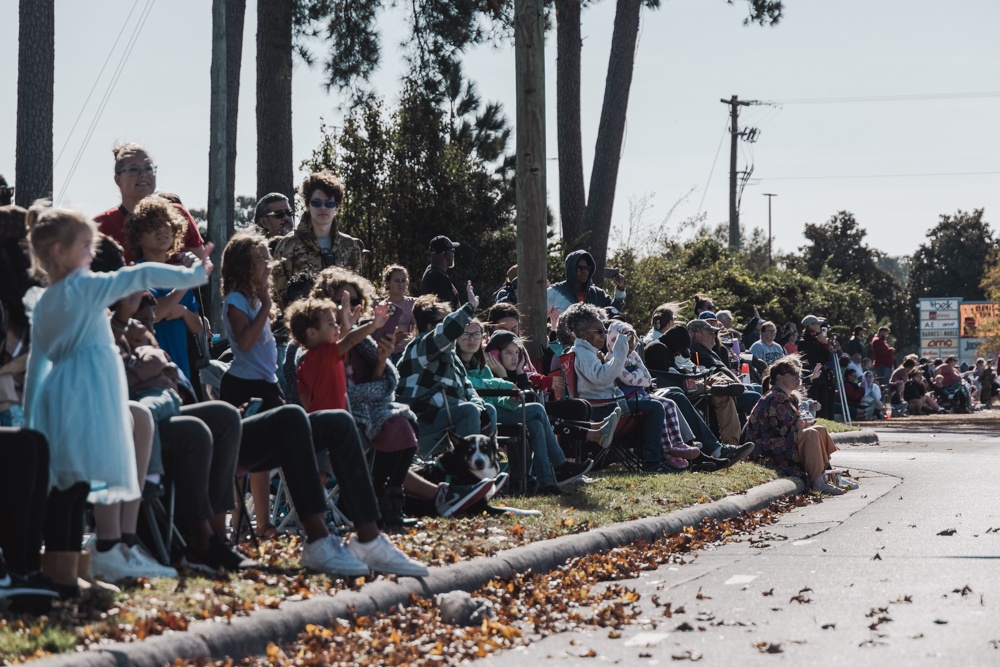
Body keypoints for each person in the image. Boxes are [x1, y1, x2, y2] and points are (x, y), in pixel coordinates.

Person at [23, 203, 211, 596]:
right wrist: (191, 275)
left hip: (60, 400)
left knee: (70, 488)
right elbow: (138, 273)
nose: (93, 255)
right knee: (74, 490)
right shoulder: (84, 288)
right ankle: (64, 574)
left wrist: (31, 424)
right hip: (88, 398)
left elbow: (38, 368)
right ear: (59, 252)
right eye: (85, 246)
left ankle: (67, 570)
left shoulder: (44, 302)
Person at [557, 304, 680, 474]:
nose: (604, 335)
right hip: (602, 407)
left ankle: (664, 454)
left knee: (657, 403)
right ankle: (652, 460)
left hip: (606, 402)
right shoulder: (583, 354)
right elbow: (602, 377)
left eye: (605, 331)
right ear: (583, 334)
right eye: (599, 332)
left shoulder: (586, 351)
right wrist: (620, 349)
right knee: (655, 408)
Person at [472, 328, 596, 495]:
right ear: (495, 355)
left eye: (517, 353)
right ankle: (561, 464)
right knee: (538, 410)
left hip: (510, 411)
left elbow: (528, 401)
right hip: (489, 413)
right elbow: (527, 404)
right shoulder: (490, 371)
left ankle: (547, 484)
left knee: (537, 423)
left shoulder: (512, 370)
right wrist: (504, 378)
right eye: (509, 353)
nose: (515, 357)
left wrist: (519, 373)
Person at [396, 285, 496, 443]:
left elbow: (468, 388)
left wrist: (479, 407)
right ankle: (465, 465)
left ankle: (484, 461)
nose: (457, 328)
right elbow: (446, 332)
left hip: (448, 415)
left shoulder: (451, 356)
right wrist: (470, 307)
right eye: (444, 322)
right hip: (420, 419)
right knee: (468, 411)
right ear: (430, 328)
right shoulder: (419, 347)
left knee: (487, 410)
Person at [125, 196, 205, 382]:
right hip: (151, 377)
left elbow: (198, 326)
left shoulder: (178, 275)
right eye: (152, 225)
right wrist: (187, 281)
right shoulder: (137, 274)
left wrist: (184, 312)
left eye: (166, 224)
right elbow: (156, 314)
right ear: (139, 237)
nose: (162, 229)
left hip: (182, 374)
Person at [746, 356, 853, 495]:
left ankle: (825, 474)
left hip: (780, 443)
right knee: (811, 433)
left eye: (798, 373)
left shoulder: (789, 398)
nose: (798, 377)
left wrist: (801, 424)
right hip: (766, 450)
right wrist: (801, 426)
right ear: (779, 377)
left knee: (819, 429)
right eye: (793, 374)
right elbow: (782, 431)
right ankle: (817, 482)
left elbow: (791, 428)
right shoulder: (775, 398)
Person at [94, 142, 206, 264]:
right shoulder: (100, 225)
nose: (143, 175)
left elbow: (206, 267)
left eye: (148, 168)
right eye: (133, 169)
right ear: (118, 179)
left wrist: (195, 267)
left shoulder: (178, 215)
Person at [271, 171, 363, 314]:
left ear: (337, 207)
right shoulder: (288, 245)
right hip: (302, 327)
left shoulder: (350, 247)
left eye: (329, 203)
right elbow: (277, 295)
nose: (323, 207)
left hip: (343, 326)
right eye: (316, 202)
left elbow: (356, 291)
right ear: (307, 205)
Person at [547, 250, 625, 323]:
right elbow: (537, 316)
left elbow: (614, 311)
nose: (585, 272)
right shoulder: (556, 291)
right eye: (580, 268)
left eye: (587, 268)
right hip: (561, 337)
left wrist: (620, 288)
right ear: (571, 269)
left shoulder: (597, 294)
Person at [373, 264, 416, 362]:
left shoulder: (414, 303)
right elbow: (383, 335)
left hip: (413, 350)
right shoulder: (383, 306)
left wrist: (405, 328)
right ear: (388, 283)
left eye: (403, 280)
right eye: (396, 281)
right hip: (392, 354)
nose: (400, 284)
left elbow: (421, 327)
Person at [418, 236, 462, 311]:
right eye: (452, 250)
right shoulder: (437, 278)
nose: (453, 254)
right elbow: (447, 314)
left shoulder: (433, 272)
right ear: (445, 253)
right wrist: (471, 304)